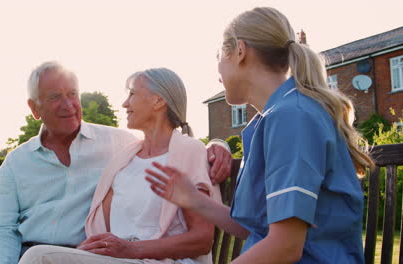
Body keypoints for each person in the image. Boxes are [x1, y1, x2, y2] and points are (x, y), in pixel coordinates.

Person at [146, 7, 375, 264]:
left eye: (219, 55)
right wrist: (194, 199)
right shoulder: (278, 116)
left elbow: (286, 247)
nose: (217, 69)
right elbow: (256, 229)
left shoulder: (292, 117)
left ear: (240, 51)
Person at [0, 62, 231, 264]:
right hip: (87, 255)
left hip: (110, 257)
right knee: (37, 256)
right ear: (35, 108)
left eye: (73, 94)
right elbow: (0, 229)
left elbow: (177, 145)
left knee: (40, 258)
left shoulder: (118, 143)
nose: (68, 104)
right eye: (56, 97)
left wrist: (218, 144)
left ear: (157, 101)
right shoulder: (127, 154)